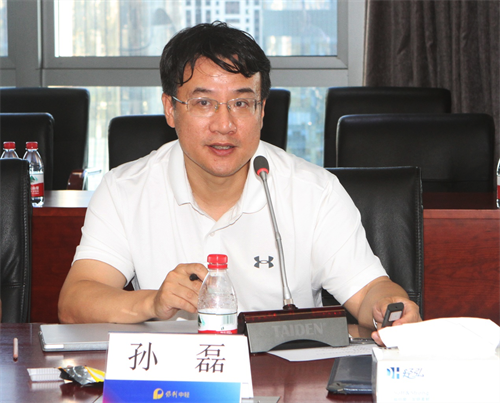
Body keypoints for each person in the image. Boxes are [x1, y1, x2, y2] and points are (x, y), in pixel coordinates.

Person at [58, 21, 421, 344]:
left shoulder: (315, 192)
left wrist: (390, 306)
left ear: (262, 111)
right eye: (204, 103)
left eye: (242, 104)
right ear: (170, 108)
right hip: (175, 380)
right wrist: (153, 303)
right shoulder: (124, 190)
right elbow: (75, 302)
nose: (224, 125)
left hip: (284, 380)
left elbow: (369, 290)